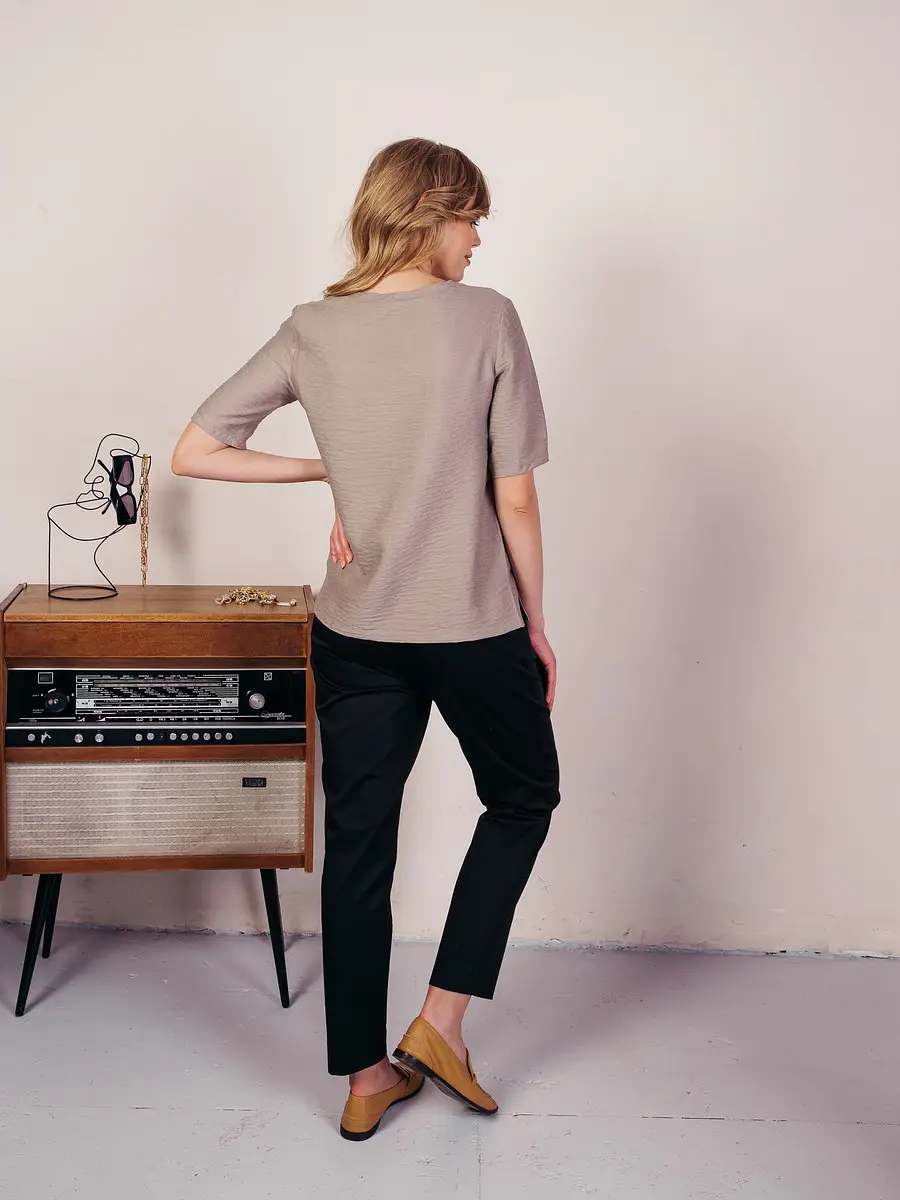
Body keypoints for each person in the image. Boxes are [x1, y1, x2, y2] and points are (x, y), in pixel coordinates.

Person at [172, 137, 561, 1141]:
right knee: (524, 797)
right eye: (471, 218)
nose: (477, 239)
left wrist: (336, 471)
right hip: (473, 626)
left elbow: (197, 449)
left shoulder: (314, 328)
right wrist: (537, 625)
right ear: (431, 215)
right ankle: (442, 1022)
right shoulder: (488, 319)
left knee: (357, 847)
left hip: (353, 629)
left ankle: (362, 1078)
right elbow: (516, 499)